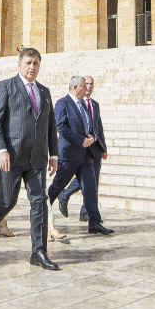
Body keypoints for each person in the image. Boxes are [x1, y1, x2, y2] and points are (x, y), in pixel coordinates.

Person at [0, 48, 60, 270]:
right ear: (19, 64)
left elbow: (50, 125)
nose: (32, 66)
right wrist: (0, 149)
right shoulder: (5, 86)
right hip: (10, 156)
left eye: (35, 63)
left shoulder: (44, 91)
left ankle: (38, 251)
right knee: (7, 200)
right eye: (28, 62)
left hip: (37, 158)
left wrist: (53, 153)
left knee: (38, 202)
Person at [46, 76, 113, 240]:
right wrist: (80, 139)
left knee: (90, 188)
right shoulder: (63, 103)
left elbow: (90, 124)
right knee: (57, 187)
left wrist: (90, 137)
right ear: (75, 87)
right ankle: (41, 209)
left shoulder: (84, 103)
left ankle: (94, 222)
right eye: (84, 86)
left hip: (85, 155)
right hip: (69, 155)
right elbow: (60, 126)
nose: (87, 89)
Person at [58, 75, 109, 223]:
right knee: (86, 178)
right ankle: (66, 194)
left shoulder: (94, 104)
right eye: (86, 83)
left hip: (95, 148)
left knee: (93, 181)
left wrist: (103, 147)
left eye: (91, 84)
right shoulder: (76, 103)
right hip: (81, 147)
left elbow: (98, 127)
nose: (89, 86)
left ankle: (86, 212)